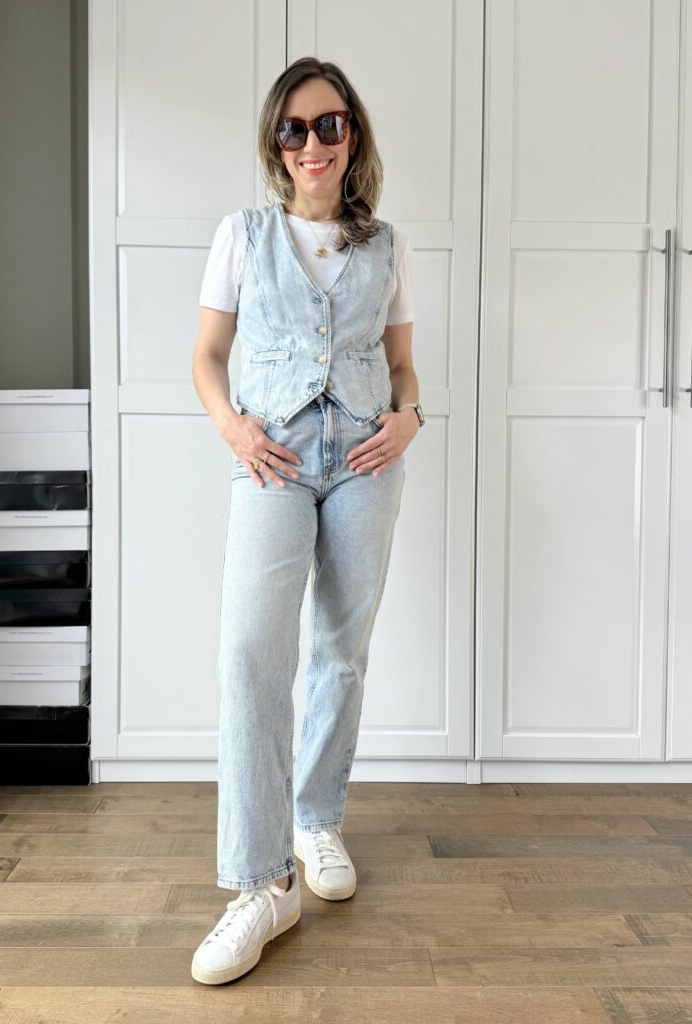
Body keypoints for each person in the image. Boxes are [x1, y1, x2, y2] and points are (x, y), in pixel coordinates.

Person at [190, 55, 423, 985]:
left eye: (330, 125)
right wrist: (234, 430)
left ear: (352, 135)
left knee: (342, 649)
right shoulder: (241, 236)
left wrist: (410, 417)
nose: (313, 143)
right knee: (251, 654)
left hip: (368, 458)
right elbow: (207, 356)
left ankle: (317, 819)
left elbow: (404, 366)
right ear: (275, 145)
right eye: (295, 129)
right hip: (272, 461)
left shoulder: (388, 245)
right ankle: (260, 881)